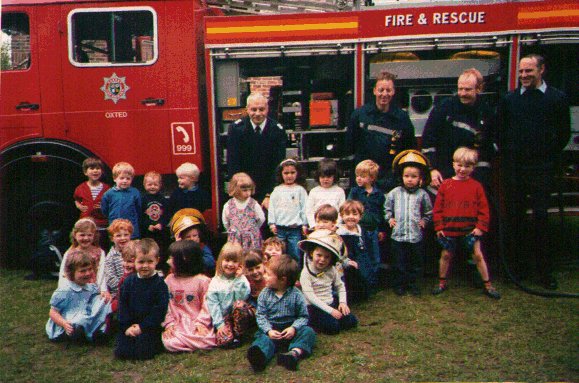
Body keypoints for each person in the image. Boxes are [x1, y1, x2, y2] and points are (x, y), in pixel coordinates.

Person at [498, 54, 570, 290]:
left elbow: (563, 134)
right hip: (516, 169)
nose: (523, 76)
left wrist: (545, 156)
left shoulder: (557, 98)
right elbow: (500, 131)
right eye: (521, 72)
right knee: (515, 218)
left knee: (540, 218)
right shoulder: (510, 100)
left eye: (528, 71)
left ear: (542, 70)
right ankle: (519, 270)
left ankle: (544, 271)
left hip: (542, 169)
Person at [431, 147, 500, 299]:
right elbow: (437, 209)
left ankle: (488, 284)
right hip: (449, 229)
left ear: (473, 168)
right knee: (446, 255)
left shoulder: (476, 186)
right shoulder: (446, 184)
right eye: (459, 165)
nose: (462, 169)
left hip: (470, 229)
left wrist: (480, 227)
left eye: (467, 166)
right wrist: (439, 227)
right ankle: (442, 282)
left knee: (478, 255)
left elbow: (484, 209)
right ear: (453, 164)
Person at [422, 68, 497, 192]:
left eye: (467, 89)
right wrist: (432, 170)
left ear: (479, 89)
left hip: (474, 173)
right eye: (460, 89)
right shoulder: (443, 109)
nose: (462, 93)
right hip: (444, 171)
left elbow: (489, 148)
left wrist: (479, 178)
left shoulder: (487, 112)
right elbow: (428, 142)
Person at [347, 70, 417, 192]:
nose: (384, 94)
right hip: (365, 177)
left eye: (388, 90)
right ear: (374, 91)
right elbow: (350, 145)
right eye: (381, 90)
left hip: (390, 179)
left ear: (393, 91)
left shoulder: (402, 118)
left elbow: (409, 148)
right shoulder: (360, 115)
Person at [246, 254, 316, 372]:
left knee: (308, 332)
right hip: (272, 331)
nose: (265, 276)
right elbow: (261, 315)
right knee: (262, 339)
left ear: (282, 279)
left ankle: (293, 354)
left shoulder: (296, 295)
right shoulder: (264, 294)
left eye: (268, 274)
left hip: (291, 331)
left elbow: (303, 316)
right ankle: (259, 358)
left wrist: (294, 328)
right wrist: (268, 330)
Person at [384, 150, 433, 296]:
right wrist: (389, 218)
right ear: (401, 176)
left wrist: (424, 221)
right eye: (406, 176)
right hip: (398, 236)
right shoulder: (394, 193)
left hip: (415, 236)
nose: (410, 179)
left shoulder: (423, 194)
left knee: (415, 263)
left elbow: (428, 212)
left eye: (414, 177)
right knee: (399, 262)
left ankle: (413, 285)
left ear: (420, 179)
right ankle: (400, 284)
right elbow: (387, 208)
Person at [227, 92, 287, 208]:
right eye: (253, 109)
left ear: (267, 109)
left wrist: (270, 194)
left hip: (268, 188)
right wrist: (240, 190)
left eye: (261, 109)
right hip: (244, 188)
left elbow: (278, 165)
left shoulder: (277, 130)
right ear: (247, 109)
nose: (258, 113)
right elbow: (233, 163)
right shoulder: (236, 129)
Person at [115, 238, 169, 360]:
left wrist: (142, 327)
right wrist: (127, 326)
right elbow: (123, 306)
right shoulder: (128, 282)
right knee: (122, 352)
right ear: (134, 261)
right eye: (141, 262)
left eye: (149, 262)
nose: (145, 266)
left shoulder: (160, 284)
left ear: (157, 261)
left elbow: (159, 311)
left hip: (150, 326)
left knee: (143, 351)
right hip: (130, 325)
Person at [299, 230, 358, 335]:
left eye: (327, 257)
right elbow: (310, 296)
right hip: (314, 307)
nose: (322, 260)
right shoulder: (306, 272)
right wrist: (330, 311)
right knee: (333, 328)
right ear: (312, 253)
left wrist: (343, 303)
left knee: (351, 321)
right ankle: (314, 323)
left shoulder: (331, 269)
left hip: (330, 302)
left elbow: (340, 286)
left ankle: (331, 319)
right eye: (319, 255)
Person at [162, 240, 217, 352]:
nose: (168, 261)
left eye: (172, 258)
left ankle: (189, 343)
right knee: (169, 342)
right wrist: (169, 324)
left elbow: (207, 306)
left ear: (184, 260)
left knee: (207, 338)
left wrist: (201, 323)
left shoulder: (203, 281)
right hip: (177, 323)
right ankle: (191, 343)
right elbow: (165, 306)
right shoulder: (168, 280)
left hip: (197, 321)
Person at [46, 250, 112, 343]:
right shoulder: (65, 290)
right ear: (71, 273)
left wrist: (103, 295)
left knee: (103, 301)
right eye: (82, 271)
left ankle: (97, 330)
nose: (88, 273)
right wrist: (64, 324)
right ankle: (79, 334)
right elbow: (53, 312)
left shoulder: (91, 287)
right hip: (68, 322)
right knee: (78, 323)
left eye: (90, 269)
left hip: (84, 316)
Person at [347, 159, 385, 288]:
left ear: (372, 178)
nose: (359, 179)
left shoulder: (378, 194)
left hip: (373, 229)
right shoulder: (355, 192)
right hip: (359, 229)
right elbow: (349, 207)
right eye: (357, 176)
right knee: (362, 254)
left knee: (375, 255)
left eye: (363, 176)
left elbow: (382, 213)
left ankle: (374, 280)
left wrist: (381, 230)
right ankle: (363, 280)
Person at [206, 242, 251, 348]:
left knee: (240, 305)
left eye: (234, 261)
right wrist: (219, 324)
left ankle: (239, 334)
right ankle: (229, 334)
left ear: (240, 264)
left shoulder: (241, 279)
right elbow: (213, 304)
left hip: (237, 314)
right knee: (224, 341)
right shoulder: (215, 281)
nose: (230, 264)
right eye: (227, 260)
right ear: (221, 260)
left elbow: (242, 298)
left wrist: (238, 280)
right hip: (223, 317)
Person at [268, 159, 308, 264]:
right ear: (281, 174)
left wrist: (304, 224)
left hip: (295, 230)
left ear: (297, 173)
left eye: (292, 172)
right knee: (279, 254)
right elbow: (272, 207)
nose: (289, 176)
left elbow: (305, 208)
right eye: (286, 173)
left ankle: (295, 277)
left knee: (295, 254)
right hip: (280, 229)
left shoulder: (300, 190)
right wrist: (272, 223)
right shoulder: (277, 190)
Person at [58, 218, 107, 299]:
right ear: (75, 235)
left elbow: (102, 273)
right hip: (74, 289)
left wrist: (102, 289)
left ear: (94, 236)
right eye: (82, 235)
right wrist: (63, 291)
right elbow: (63, 274)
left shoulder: (99, 252)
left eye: (89, 235)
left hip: (93, 289)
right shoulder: (70, 253)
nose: (86, 238)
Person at [337, 200, 373, 300]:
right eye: (347, 214)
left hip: (360, 257)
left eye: (355, 214)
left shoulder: (361, 229)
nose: (351, 217)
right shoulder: (340, 232)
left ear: (360, 216)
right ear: (342, 216)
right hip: (346, 260)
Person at [73, 157, 110, 249]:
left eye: (98, 168)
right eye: (92, 168)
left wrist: (104, 206)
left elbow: (111, 203)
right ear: (85, 172)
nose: (95, 171)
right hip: (86, 222)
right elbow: (76, 199)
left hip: (101, 223)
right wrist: (78, 205)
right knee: (87, 245)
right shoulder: (80, 188)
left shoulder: (107, 188)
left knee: (101, 245)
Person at [222, 172, 265, 251]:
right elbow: (226, 222)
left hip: (252, 238)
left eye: (250, 190)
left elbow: (261, 218)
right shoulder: (228, 205)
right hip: (235, 239)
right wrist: (233, 230)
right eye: (244, 190)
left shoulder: (253, 204)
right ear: (235, 189)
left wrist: (253, 228)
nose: (248, 192)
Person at [101, 162, 142, 239]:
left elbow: (139, 208)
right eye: (122, 178)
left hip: (131, 229)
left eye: (128, 178)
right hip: (115, 228)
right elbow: (105, 210)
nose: (125, 181)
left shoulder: (135, 192)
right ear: (115, 178)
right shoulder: (108, 194)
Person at [170, 208, 216, 276]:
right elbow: (173, 264)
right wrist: (178, 246)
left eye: (194, 235)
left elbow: (211, 262)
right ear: (181, 238)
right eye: (188, 237)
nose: (192, 238)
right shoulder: (179, 249)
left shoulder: (202, 247)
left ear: (199, 236)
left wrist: (194, 260)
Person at [305, 158, 346, 230]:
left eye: (329, 177)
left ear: (334, 177)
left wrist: (336, 225)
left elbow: (342, 211)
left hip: (333, 227)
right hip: (318, 226)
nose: (325, 179)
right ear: (318, 177)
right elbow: (309, 210)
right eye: (323, 177)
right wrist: (314, 225)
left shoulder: (339, 191)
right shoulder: (314, 191)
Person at [140, 171, 169, 262]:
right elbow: (140, 215)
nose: (152, 187)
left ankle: (161, 265)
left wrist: (161, 224)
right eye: (149, 184)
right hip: (148, 231)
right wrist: (147, 225)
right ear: (144, 185)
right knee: (147, 249)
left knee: (161, 249)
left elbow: (167, 214)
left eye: (155, 184)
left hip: (160, 232)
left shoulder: (163, 199)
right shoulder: (142, 199)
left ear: (160, 185)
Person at [104, 219, 133, 300]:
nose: (123, 238)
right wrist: (126, 289)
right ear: (112, 238)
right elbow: (110, 279)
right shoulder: (111, 257)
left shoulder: (136, 250)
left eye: (126, 235)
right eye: (118, 236)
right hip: (120, 294)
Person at [110, 241, 136, 313]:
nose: (126, 264)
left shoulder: (136, 279)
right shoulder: (125, 276)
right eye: (124, 260)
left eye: (130, 262)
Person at [243, 249, 266, 322]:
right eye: (250, 269)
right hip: (253, 302)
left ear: (264, 264)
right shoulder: (246, 279)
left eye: (257, 267)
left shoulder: (269, 278)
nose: (255, 272)